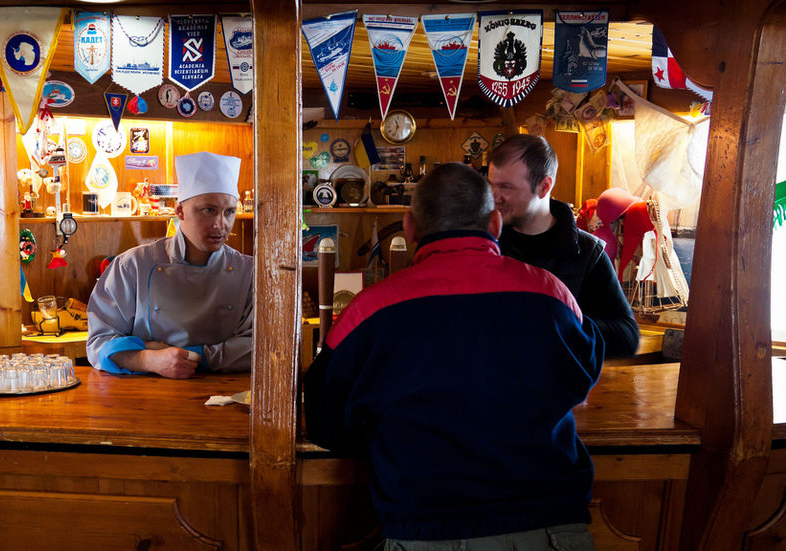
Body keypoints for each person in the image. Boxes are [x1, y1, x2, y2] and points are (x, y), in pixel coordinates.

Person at [304, 163, 604, 549]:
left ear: (409, 227)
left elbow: (324, 420)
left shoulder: (369, 310)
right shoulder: (553, 294)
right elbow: (583, 378)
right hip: (552, 528)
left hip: (426, 531)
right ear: (495, 223)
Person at [86, 151, 253, 378]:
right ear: (180, 211)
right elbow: (98, 343)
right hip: (149, 392)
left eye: (229, 212)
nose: (220, 224)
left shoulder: (249, 272)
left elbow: (261, 345)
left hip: (226, 392)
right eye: (209, 210)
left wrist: (193, 356)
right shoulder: (132, 266)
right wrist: (149, 360)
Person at [488, 134, 639, 358]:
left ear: (544, 186)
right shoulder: (484, 244)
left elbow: (626, 336)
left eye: (506, 188)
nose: (494, 197)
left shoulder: (587, 253)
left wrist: (558, 321)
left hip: (557, 378)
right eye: (491, 185)